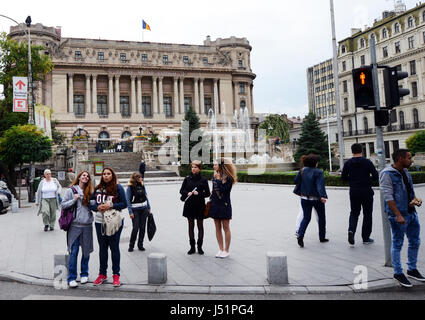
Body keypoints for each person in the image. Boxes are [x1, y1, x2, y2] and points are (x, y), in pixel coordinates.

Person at [380, 149, 425, 288]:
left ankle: (412, 269)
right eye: (409, 158)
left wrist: (415, 200)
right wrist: (398, 214)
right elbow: (388, 196)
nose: (411, 160)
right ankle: (398, 273)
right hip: (397, 216)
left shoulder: (405, 171)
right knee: (397, 243)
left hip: (411, 213)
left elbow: (409, 190)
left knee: (415, 241)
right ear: (400, 158)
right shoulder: (387, 174)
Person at [89, 167, 127, 287]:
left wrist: (111, 205)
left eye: (108, 174)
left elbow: (124, 204)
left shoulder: (118, 188)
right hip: (100, 222)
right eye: (104, 174)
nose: (106, 176)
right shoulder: (98, 189)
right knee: (103, 248)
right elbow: (91, 203)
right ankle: (102, 274)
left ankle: (116, 275)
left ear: (112, 175)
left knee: (114, 248)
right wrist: (97, 208)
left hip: (114, 222)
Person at [60, 171, 94, 288]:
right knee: (73, 252)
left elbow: (94, 206)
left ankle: (84, 274)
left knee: (86, 252)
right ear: (79, 177)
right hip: (74, 226)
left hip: (87, 225)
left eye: (87, 176)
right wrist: (74, 200)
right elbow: (63, 205)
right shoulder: (71, 190)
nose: (85, 177)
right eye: (84, 175)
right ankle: (72, 277)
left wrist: (90, 201)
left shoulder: (90, 191)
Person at [342, 143, 379, 246]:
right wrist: (367, 179)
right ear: (361, 151)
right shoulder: (367, 162)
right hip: (366, 190)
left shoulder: (348, 163)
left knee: (354, 213)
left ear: (352, 151)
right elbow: (376, 176)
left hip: (354, 191)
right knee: (367, 214)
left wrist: (353, 180)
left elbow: (343, 177)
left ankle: (351, 231)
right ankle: (366, 238)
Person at [294, 154, 328, 248]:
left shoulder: (302, 170)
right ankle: (322, 237)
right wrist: (322, 196)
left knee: (306, 218)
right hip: (317, 199)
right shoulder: (319, 172)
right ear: (315, 163)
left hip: (304, 198)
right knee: (321, 217)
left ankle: (300, 234)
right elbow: (320, 185)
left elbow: (295, 180)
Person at [179, 160, 211, 255]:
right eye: (192, 167)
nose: (193, 169)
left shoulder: (203, 180)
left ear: (199, 168)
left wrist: (199, 193)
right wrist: (187, 193)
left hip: (200, 205)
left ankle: (200, 247)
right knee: (190, 226)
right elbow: (181, 190)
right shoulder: (187, 178)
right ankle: (192, 247)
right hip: (189, 205)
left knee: (200, 226)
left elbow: (208, 193)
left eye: (195, 167)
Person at [210, 158, 237, 258]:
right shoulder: (215, 175)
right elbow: (214, 190)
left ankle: (226, 250)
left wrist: (217, 180)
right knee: (217, 227)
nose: (214, 166)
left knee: (226, 227)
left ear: (221, 166)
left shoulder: (229, 178)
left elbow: (223, 190)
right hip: (215, 204)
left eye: (215, 165)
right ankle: (220, 249)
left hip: (224, 204)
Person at [126, 172, 151, 252]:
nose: (141, 178)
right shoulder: (130, 187)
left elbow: (146, 196)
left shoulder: (142, 185)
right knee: (135, 228)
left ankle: (140, 244)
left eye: (141, 177)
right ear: (136, 179)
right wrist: (130, 212)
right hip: (135, 210)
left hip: (144, 209)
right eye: (139, 177)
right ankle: (131, 245)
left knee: (143, 228)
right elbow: (128, 200)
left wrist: (149, 207)